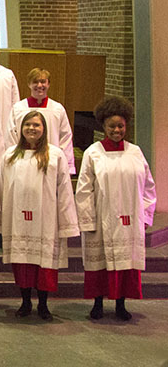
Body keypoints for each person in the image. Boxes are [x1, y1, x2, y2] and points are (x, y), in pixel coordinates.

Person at [75, 96, 156, 321]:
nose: (117, 130)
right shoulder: (93, 152)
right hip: (102, 218)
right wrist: (88, 219)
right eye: (112, 126)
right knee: (100, 263)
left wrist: (145, 216)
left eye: (120, 126)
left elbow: (148, 186)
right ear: (104, 126)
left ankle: (121, 304)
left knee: (126, 265)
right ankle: (98, 303)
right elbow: (83, 190)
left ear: (126, 126)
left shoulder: (135, 152)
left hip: (129, 218)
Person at [1, 111, 78, 321]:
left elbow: (64, 189)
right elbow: (3, 188)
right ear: (20, 128)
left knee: (44, 265)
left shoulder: (55, 155)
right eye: (27, 125)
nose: (31, 129)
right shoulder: (10, 155)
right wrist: (1, 217)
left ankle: (43, 305)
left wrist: (67, 222)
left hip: (46, 218)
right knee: (23, 262)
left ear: (44, 129)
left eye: (36, 125)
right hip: (19, 218)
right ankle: (25, 302)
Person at [8, 68, 76, 174]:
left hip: (50, 161)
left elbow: (65, 137)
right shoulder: (18, 108)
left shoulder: (57, 109)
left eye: (43, 81)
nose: (40, 85)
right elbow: (11, 135)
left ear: (48, 84)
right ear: (29, 84)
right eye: (35, 82)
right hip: (24, 161)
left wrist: (67, 165)